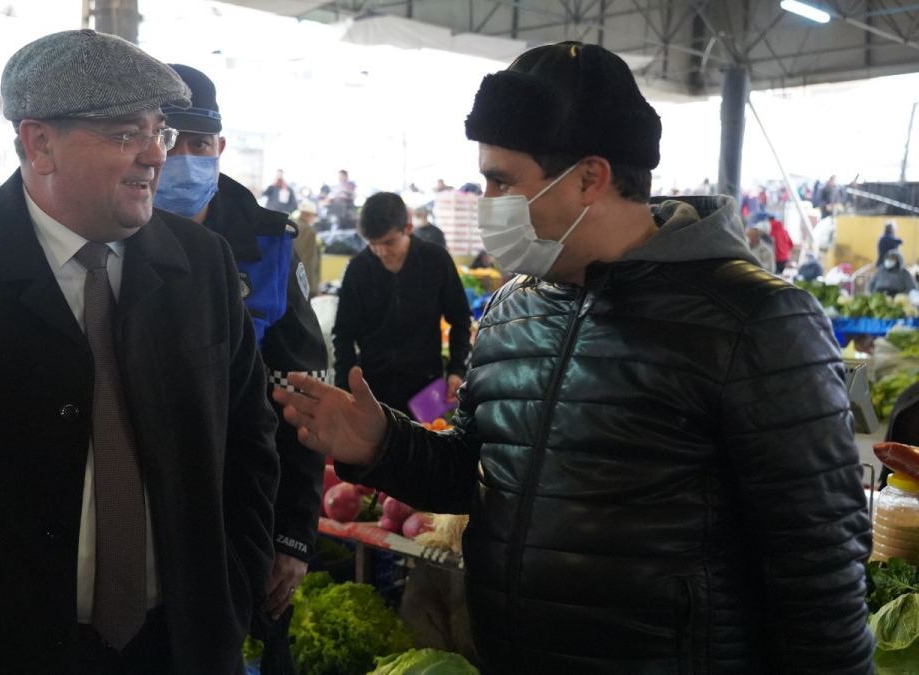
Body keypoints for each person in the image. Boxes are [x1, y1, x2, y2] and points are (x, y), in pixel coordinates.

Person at [273, 42, 873, 673]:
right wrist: (382, 444)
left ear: (590, 177)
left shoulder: (756, 323)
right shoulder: (514, 306)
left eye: (503, 181)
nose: (486, 200)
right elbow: (479, 475)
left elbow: (819, 571)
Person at [0, 30, 280, 675]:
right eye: (125, 133)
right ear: (39, 144)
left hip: (182, 645)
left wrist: (232, 590)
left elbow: (249, 437)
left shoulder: (202, 263)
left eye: (160, 131)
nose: (156, 154)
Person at [155, 63, 327, 674]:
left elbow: (303, 394)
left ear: (220, 147)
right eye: (169, 141)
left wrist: (292, 535)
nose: (183, 159)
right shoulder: (112, 229)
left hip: (239, 509)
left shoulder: (268, 243)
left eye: (198, 144)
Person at [333, 191, 471, 413]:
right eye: (373, 244)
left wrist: (457, 369)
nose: (380, 252)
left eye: (389, 242)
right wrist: (344, 385)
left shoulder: (435, 261)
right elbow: (343, 334)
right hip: (373, 387)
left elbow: (460, 318)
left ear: (407, 228)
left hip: (425, 384)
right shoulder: (358, 269)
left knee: (428, 435)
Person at [291, 201, 322, 298]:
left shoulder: (291, 226)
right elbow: (310, 261)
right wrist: (313, 288)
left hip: (289, 280)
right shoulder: (309, 231)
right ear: (309, 215)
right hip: (303, 283)